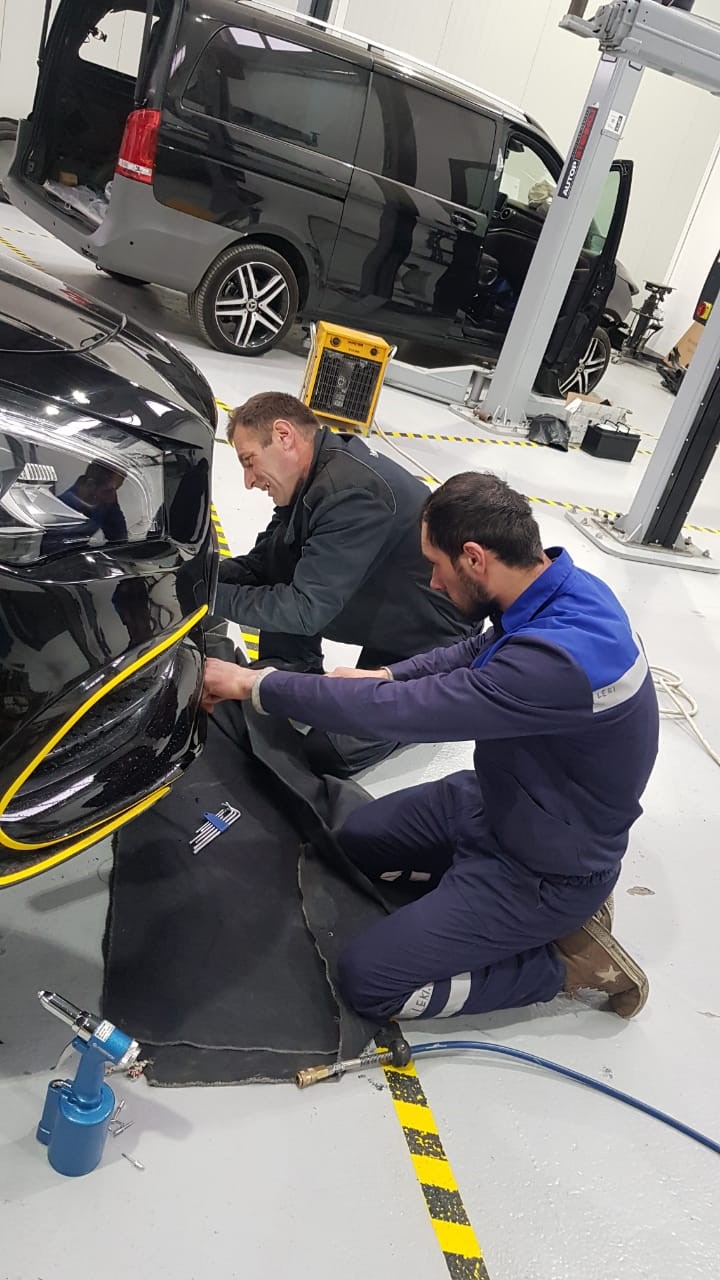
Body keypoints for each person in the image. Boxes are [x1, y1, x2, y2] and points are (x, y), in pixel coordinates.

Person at [203, 471, 659, 1025]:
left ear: (474, 558)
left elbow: (401, 713)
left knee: (371, 982)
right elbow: (476, 649)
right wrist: (386, 674)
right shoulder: (561, 589)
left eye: (437, 566)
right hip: (498, 801)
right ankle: (475, 906)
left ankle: (566, 967)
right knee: (354, 842)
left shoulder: (555, 665)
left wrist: (253, 684)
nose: (435, 584)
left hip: (546, 867)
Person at [213, 391, 467, 775]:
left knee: (328, 750)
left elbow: (307, 611)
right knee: (283, 568)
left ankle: (428, 702)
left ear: (284, 436)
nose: (249, 482)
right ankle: (294, 675)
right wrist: (200, 576)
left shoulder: (352, 492)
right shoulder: (315, 476)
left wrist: (204, 595)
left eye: (249, 462)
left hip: (425, 642)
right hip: (385, 609)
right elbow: (264, 563)